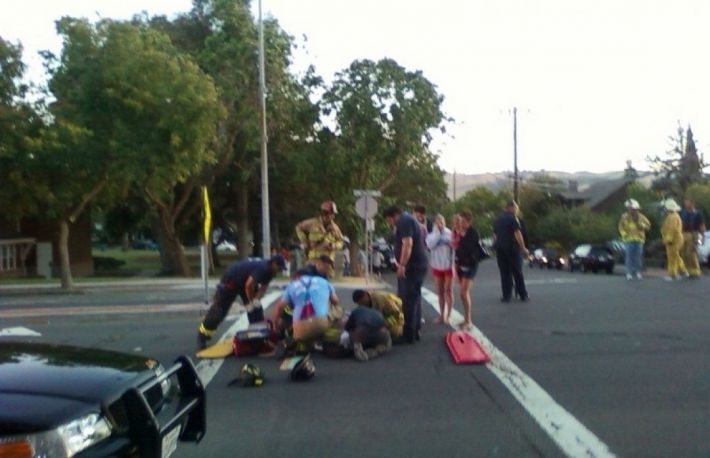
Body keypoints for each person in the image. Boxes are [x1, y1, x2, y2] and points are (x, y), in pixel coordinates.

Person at [197, 255, 286, 349]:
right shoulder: (263, 268)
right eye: (279, 267)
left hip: (246, 281)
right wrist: (251, 301)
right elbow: (248, 285)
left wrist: (256, 300)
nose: (280, 270)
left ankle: (257, 338)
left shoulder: (271, 272)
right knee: (219, 311)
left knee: (256, 310)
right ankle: (202, 336)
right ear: (273, 263)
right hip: (232, 280)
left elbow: (263, 288)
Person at [383, 205, 428, 343]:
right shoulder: (408, 219)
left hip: (412, 266)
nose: (389, 224)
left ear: (394, 216)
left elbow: (407, 243)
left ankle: (408, 334)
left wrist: (402, 265)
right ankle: (415, 330)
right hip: (418, 264)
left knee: (407, 299)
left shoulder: (404, 221)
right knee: (414, 298)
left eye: (389, 220)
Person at [271, 273, 340, 346]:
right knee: (337, 309)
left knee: (288, 314)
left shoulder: (292, 286)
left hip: (299, 330)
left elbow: (278, 308)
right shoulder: (323, 281)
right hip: (321, 324)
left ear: (297, 277)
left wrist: (275, 327)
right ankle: (334, 332)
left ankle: (297, 337)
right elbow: (335, 301)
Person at [492, 200, 530, 302]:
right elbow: (517, 233)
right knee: (517, 272)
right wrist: (523, 248)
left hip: (500, 249)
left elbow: (495, 235)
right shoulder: (513, 219)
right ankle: (523, 294)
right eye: (516, 208)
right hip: (512, 248)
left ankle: (506, 296)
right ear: (511, 208)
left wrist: (497, 245)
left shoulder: (497, 219)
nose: (517, 210)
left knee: (504, 273)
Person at [295, 200, 345, 265]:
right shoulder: (312, 223)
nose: (333, 216)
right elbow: (298, 227)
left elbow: (341, 242)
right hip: (313, 259)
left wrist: (334, 246)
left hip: (328, 261)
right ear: (324, 213)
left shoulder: (335, 228)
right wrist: (304, 241)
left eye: (333, 214)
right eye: (331, 214)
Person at [426, 213, 454, 323]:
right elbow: (430, 246)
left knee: (448, 290)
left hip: (448, 265)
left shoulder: (450, 233)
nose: (440, 224)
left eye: (442, 222)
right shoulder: (431, 235)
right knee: (439, 291)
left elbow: (454, 247)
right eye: (438, 222)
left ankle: (449, 315)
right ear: (434, 223)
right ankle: (441, 315)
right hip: (436, 265)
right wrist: (437, 233)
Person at [454, 211, 480, 330]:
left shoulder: (473, 233)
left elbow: (466, 249)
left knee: (463, 293)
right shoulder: (459, 232)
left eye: (463, 221)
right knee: (463, 294)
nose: (460, 223)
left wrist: (459, 237)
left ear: (469, 222)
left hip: (470, 265)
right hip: (461, 265)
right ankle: (466, 318)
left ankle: (468, 320)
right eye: (460, 221)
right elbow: (456, 250)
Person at [618, 199, 651, 280]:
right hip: (628, 240)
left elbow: (648, 226)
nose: (632, 211)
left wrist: (641, 225)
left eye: (634, 209)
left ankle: (637, 272)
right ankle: (629, 273)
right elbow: (620, 227)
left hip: (639, 240)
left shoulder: (641, 217)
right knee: (629, 257)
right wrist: (624, 234)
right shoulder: (624, 217)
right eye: (630, 209)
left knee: (638, 257)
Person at [661, 199, 687, 281]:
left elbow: (672, 229)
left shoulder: (672, 217)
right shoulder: (672, 216)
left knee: (672, 257)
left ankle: (673, 274)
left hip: (673, 240)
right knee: (675, 256)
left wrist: (668, 239)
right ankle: (683, 271)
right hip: (675, 239)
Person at [679, 198, 706, 278]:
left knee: (691, 253)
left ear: (692, 203)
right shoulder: (682, 212)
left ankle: (695, 270)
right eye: (685, 202)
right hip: (683, 234)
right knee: (683, 253)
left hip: (694, 234)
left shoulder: (698, 214)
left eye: (687, 202)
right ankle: (686, 270)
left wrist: (703, 237)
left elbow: (702, 226)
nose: (685, 203)